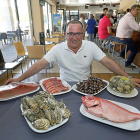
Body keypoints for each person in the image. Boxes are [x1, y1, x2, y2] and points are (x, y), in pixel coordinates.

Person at [5, 20, 140, 87]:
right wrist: (19, 79)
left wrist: (127, 77)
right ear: (65, 34)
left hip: (86, 86)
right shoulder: (58, 48)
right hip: (64, 86)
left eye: (77, 34)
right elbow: (39, 64)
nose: (74, 38)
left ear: (83, 34)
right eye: (70, 34)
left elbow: (109, 63)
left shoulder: (91, 46)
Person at [116, 4, 140, 69]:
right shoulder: (130, 18)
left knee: (131, 43)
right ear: (132, 10)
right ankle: (128, 63)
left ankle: (121, 54)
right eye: (137, 10)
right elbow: (137, 28)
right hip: (124, 38)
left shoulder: (127, 16)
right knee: (135, 50)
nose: (138, 11)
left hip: (120, 37)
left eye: (139, 10)